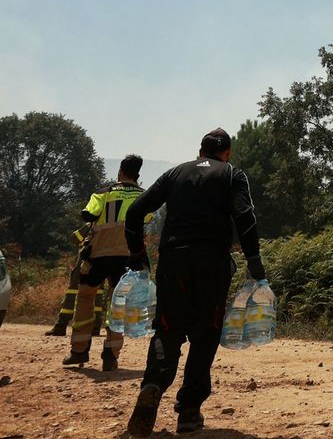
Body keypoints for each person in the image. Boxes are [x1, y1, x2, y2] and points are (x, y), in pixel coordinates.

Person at [123, 128, 266, 437]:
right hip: (212, 263)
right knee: (206, 333)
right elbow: (245, 217)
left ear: (200, 151)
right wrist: (254, 263)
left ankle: (153, 383)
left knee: (167, 328)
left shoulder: (174, 173)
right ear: (226, 153)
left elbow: (135, 213)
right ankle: (188, 411)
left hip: (173, 261)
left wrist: (137, 253)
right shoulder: (231, 174)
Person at [62, 155, 145, 370]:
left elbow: (87, 215)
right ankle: (111, 356)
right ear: (138, 174)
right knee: (119, 305)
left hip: (98, 255)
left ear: (120, 171)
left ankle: (79, 351)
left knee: (86, 298)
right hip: (127, 257)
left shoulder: (102, 193)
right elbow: (147, 219)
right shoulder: (143, 196)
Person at [47, 220, 106, 338]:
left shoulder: (92, 225)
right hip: (101, 264)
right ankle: (95, 328)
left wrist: (87, 226)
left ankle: (61, 326)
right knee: (97, 295)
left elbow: (74, 238)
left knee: (72, 294)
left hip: (84, 264)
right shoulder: (111, 228)